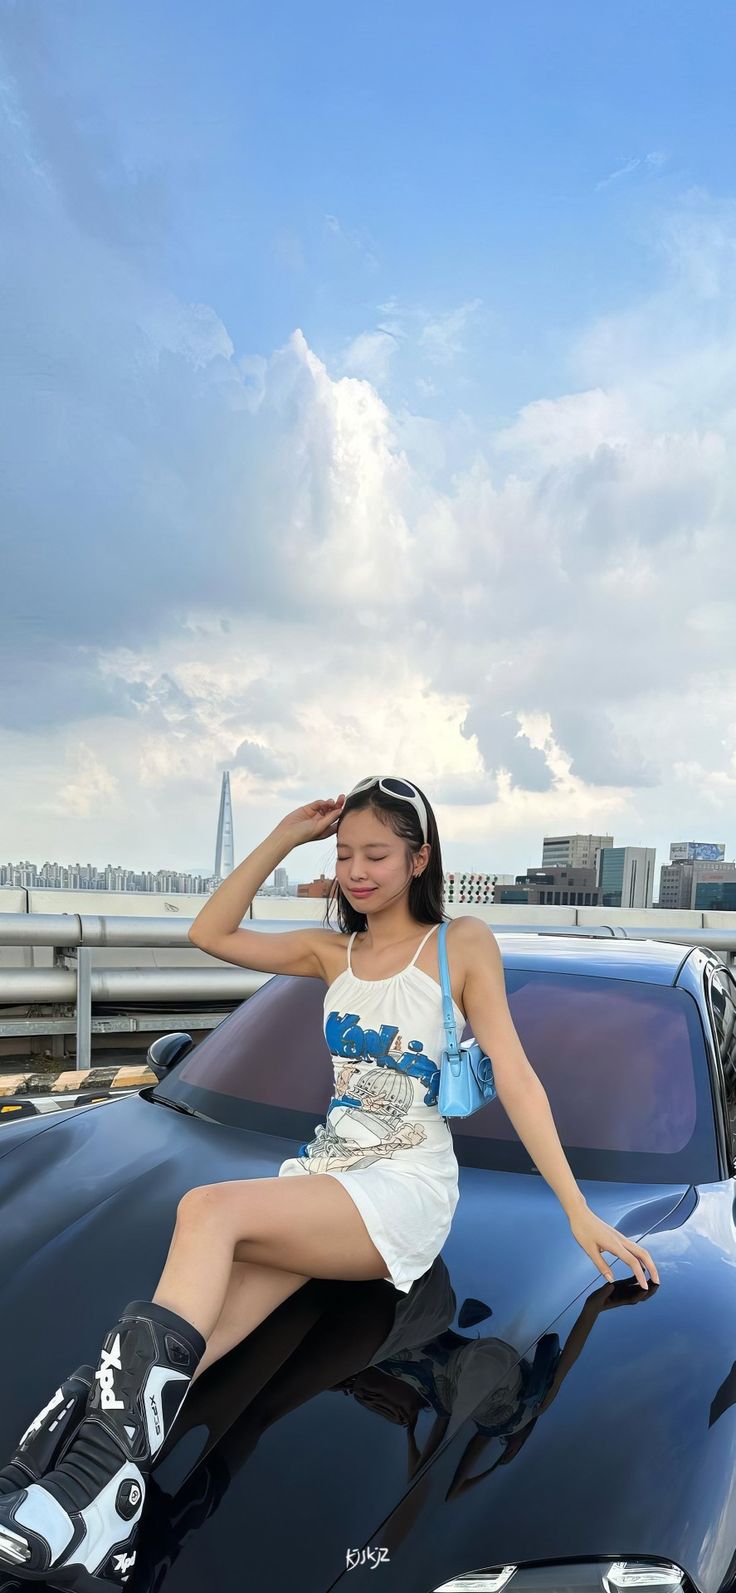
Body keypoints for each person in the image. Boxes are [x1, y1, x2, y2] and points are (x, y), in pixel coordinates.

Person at [0, 774, 659, 1587]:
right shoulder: (329, 952)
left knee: (208, 1208)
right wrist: (284, 836)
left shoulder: (463, 945)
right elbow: (211, 931)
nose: (357, 869)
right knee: (192, 1344)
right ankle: (56, 1486)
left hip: (404, 1187)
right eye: (345, 853)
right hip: (323, 1172)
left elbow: (518, 1078)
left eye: (377, 852)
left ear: (419, 858)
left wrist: (577, 1210)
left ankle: (90, 1492)